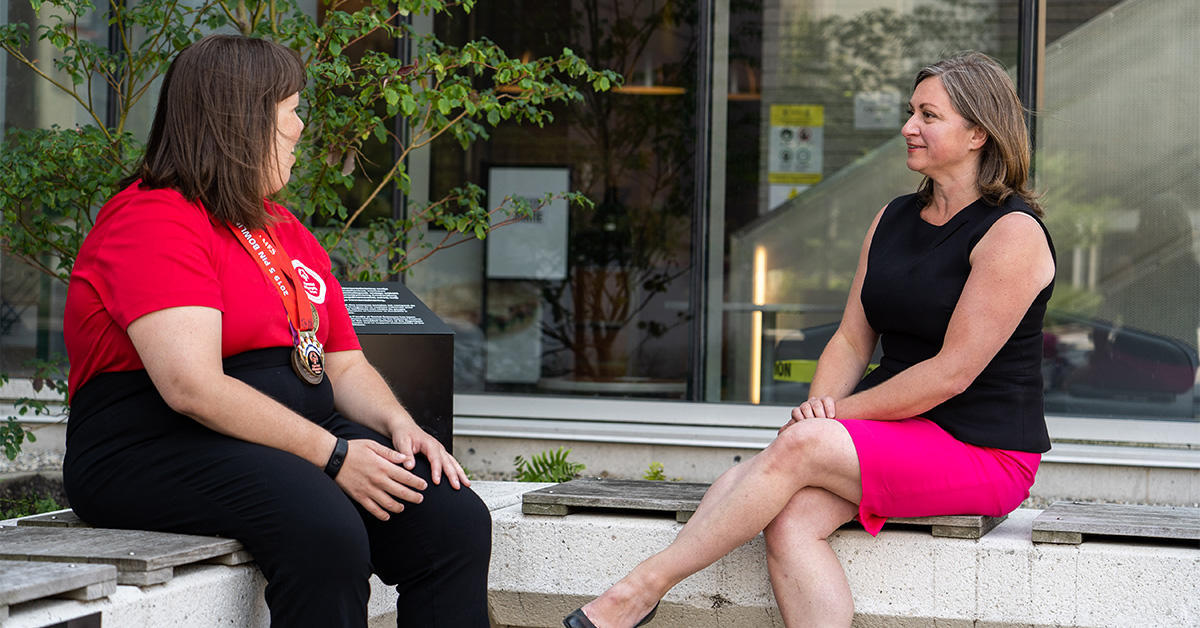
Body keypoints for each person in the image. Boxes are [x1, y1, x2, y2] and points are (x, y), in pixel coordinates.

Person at [564, 51, 1055, 628]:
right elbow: (851, 338)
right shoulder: (894, 217)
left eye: (928, 115)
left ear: (977, 132)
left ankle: (637, 592)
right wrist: (815, 416)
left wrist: (831, 421)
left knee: (792, 453)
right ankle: (640, 596)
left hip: (982, 449)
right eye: (910, 112)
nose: (907, 128)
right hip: (895, 431)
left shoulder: (1012, 233)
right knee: (782, 513)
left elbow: (952, 373)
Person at [62, 34, 491, 627]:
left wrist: (399, 425)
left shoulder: (282, 227)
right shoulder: (153, 218)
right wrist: (333, 456)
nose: (300, 127)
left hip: (289, 436)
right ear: (244, 120)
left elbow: (341, 362)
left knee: (449, 515)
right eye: (291, 109)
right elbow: (192, 387)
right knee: (322, 525)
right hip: (156, 443)